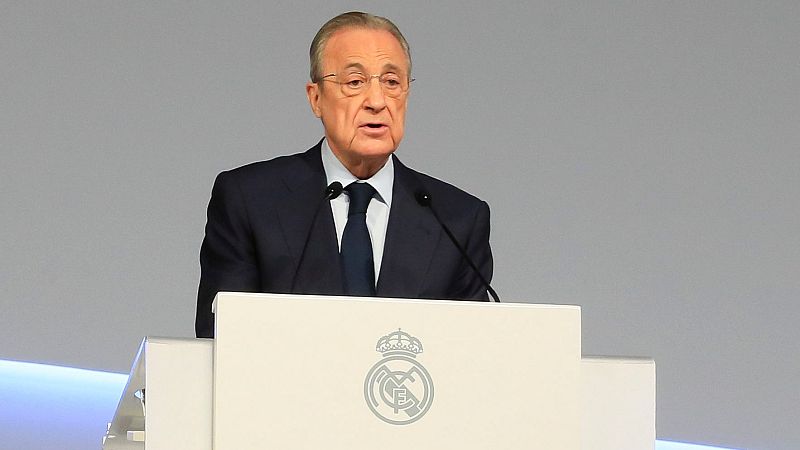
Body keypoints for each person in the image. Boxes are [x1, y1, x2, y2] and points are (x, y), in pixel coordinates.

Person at [196, 11, 493, 338]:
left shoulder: (457, 219)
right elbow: (221, 340)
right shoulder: (250, 200)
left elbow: (475, 349)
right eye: (355, 82)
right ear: (316, 98)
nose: (377, 102)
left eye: (392, 82)